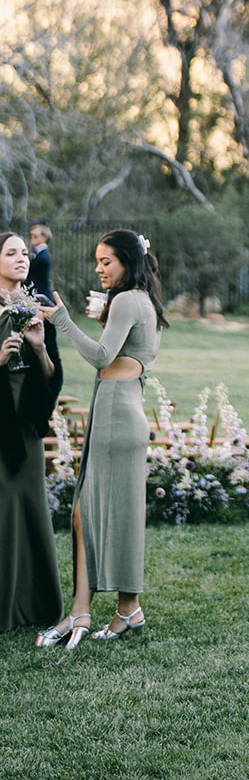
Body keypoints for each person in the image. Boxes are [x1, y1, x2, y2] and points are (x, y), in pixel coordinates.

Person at [39, 229, 166, 648]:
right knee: (113, 513)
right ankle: (128, 608)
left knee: (84, 514)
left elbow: (100, 357)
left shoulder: (128, 300)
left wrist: (60, 319)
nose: (98, 267)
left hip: (115, 413)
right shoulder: (142, 301)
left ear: (128, 262)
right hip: (123, 408)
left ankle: (82, 609)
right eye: (97, 260)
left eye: (106, 261)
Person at [0, 232, 64, 632]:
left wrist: (39, 348)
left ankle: (35, 606)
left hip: (27, 426)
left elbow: (53, 376)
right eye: (11, 252)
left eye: (25, 252)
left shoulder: (37, 306)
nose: (22, 258)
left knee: (30, 511)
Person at [26, 224, 54, 304]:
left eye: (35, 236)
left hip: (41, 296)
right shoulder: (38, 254)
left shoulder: (43, 257)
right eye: (30, 236)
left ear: (44, 238)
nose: (32, 239)